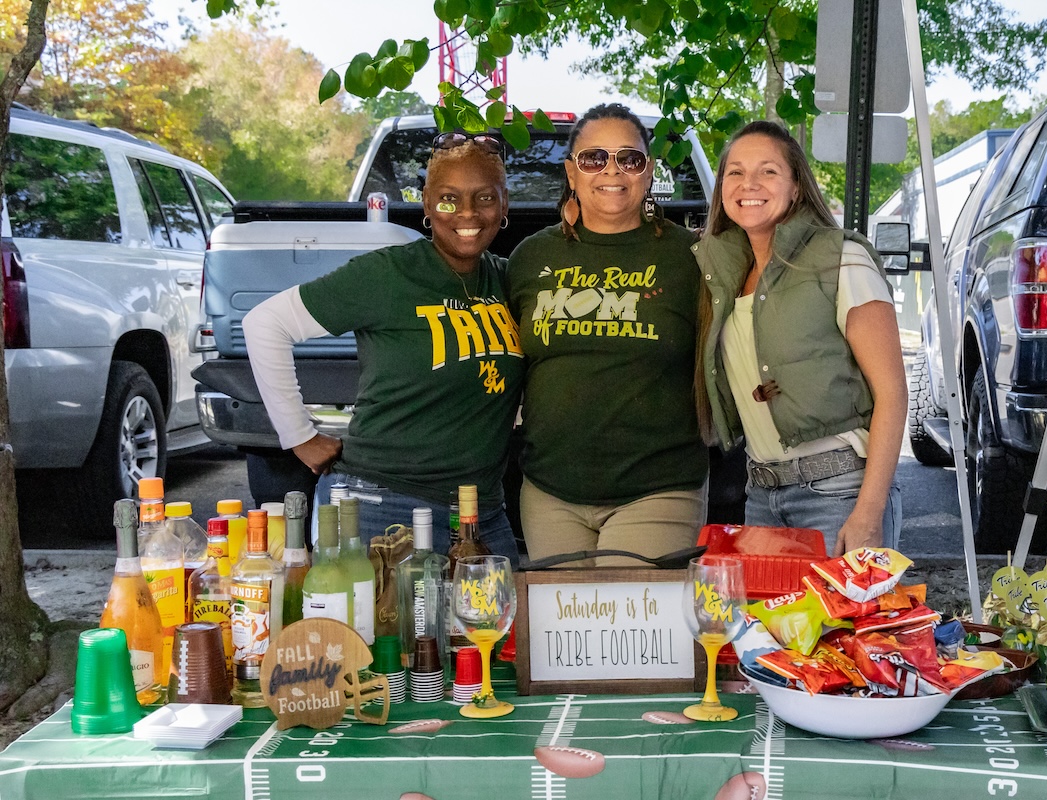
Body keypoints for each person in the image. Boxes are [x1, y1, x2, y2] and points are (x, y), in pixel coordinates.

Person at [242, 133, 524, 562]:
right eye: (449, 199)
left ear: (504, 206)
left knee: (493, 628)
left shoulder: (509, 280)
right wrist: (300, 437)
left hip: (480, 513)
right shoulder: (388, 274)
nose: (467, 212)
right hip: (380, 506)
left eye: (484, 198)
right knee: (378, 633)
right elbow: (265, 324)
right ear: (427, 205)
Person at [505, 103, 709, 566]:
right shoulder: (529, 258)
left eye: (629, 159)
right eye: (594, 158)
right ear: (571, 173)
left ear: (648, 171)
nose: (612, 170)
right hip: (549, 489)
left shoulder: (692, 256)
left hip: (658, 486)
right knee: (564, 632)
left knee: (631, 631)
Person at [695, 121, 906, 557]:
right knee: (768, 628)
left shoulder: (841, 258)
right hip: (760, 494)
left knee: (841, 627)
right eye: (734, 172)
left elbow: (893, 394)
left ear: (796, 188)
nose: (748, 183)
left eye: (768, 171)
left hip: (839, 493)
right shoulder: (721, 274)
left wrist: (869, 511)